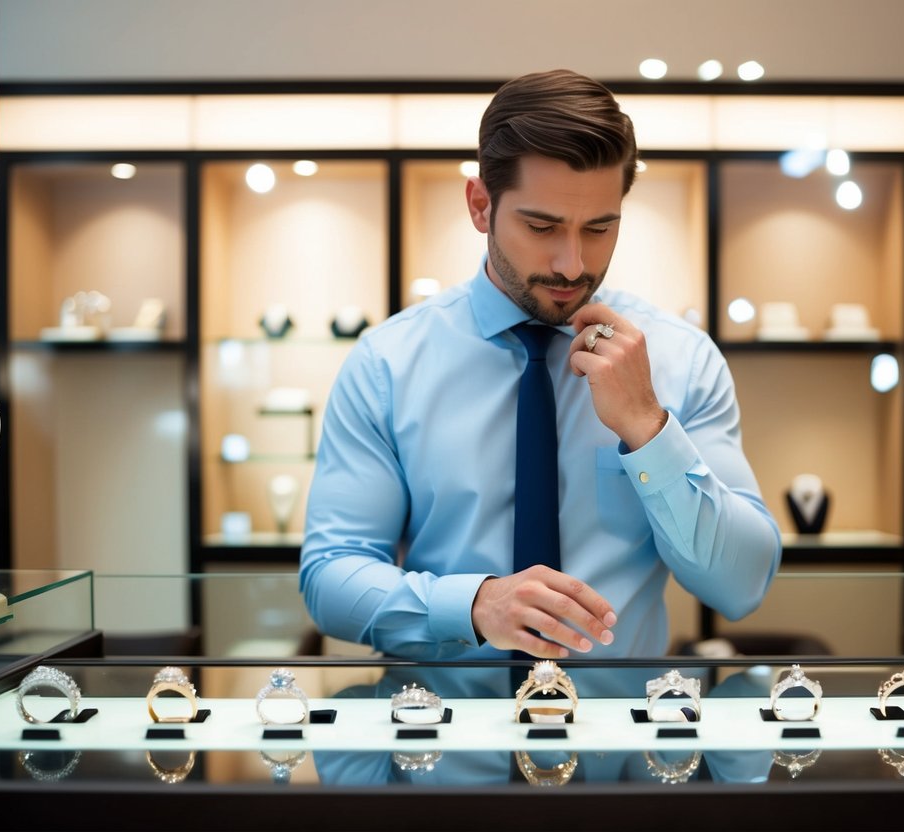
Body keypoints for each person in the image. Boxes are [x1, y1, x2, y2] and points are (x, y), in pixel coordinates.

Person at [300, 69, 781, 661]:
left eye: (600, 228)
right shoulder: (387, 365)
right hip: (441, 738)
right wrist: (474, 606)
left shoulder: (682, 359)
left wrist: (647, 428)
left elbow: (740, 586)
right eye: (542, 226)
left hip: (618, 740)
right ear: (481, 205)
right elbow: (329, 577)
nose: (573, 264)